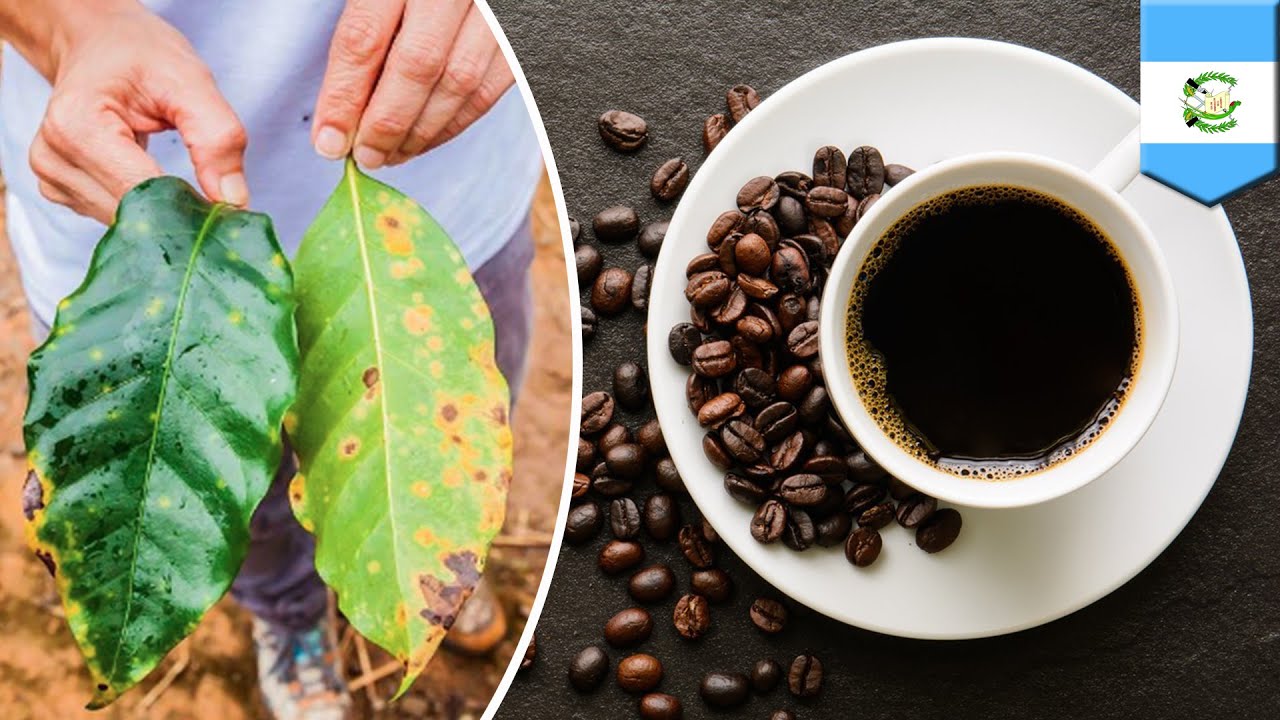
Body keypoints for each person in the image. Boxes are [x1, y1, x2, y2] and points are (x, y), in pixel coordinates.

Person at [0, 1, 542, 718]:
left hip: (430, 200)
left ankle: (426, 582)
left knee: (431, 454)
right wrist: (68, 25)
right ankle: (289, 618)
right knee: (230, 503)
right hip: (135, 201)